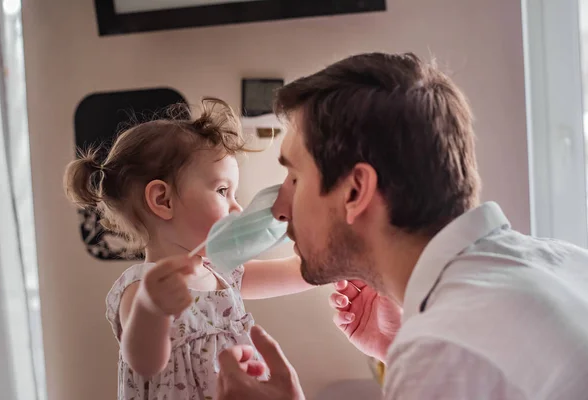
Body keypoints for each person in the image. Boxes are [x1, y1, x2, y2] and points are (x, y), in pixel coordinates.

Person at [215, 52, 588, 399]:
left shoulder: (447, 348)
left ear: (355, 190)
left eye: (294, 178)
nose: (279, 210)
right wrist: (395, 350)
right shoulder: (566, 262)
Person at [63, 98, 312, 400]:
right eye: (223, 191)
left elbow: (298, 272)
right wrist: (153, 309)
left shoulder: (225, 272)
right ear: (163, 200)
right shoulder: (141, 289)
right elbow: (144, 360)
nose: (237, 207)